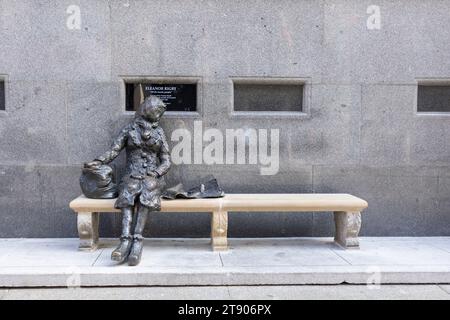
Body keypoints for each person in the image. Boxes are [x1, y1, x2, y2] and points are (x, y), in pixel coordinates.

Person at [86, 95, 171, 266]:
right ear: (147, 110)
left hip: (152, 175)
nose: (158, 115)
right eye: (156, 111)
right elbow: (114, 150)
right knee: (130, 189)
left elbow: (166, 160)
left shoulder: (159, 132)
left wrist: (157, 172)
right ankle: (124, 241)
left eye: (160, 113)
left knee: (148, 188)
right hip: (132, 173)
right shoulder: (129, 129)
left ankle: (137, 241)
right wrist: (98, 161)